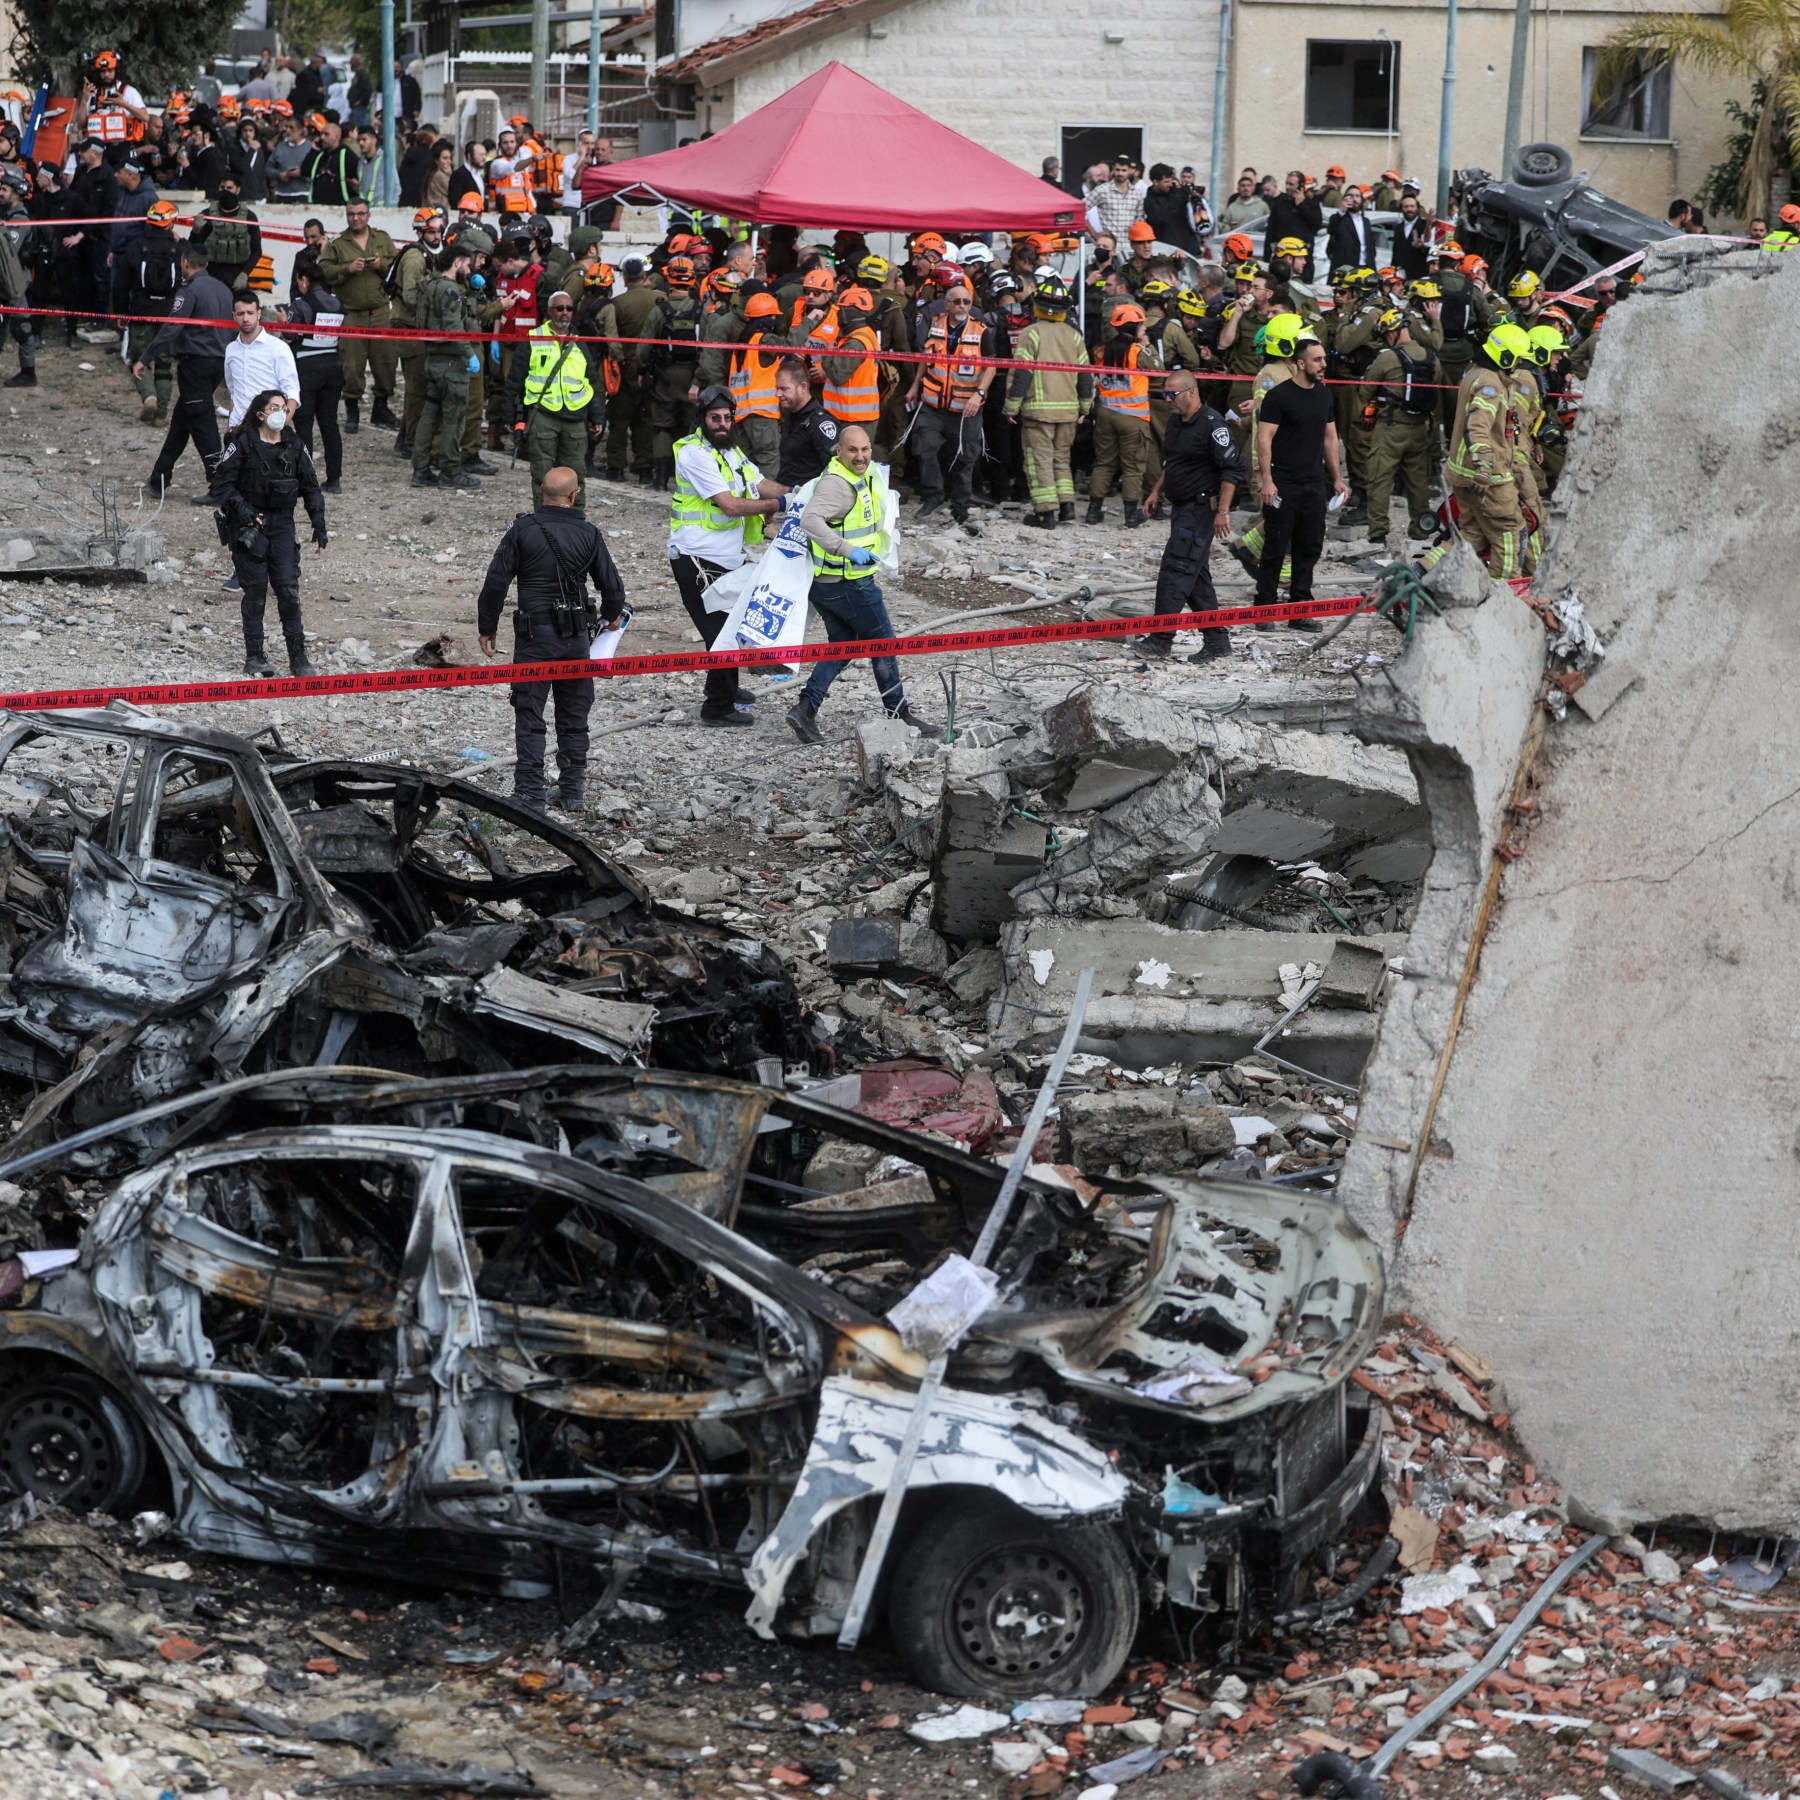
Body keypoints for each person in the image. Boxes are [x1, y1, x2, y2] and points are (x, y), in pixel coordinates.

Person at [475, 466, 627, 812]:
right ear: (574, 496)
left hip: (535, 637)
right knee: (574, 715)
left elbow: (496, 581)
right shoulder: (589, 533)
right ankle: (572, 791)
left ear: (541, 493)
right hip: (577, 637)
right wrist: (611, 616)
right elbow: (613, 588)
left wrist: (487, 627)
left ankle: (530, 793)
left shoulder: (521, 530)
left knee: (530, 713)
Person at [788, 426, 934, 745]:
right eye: (853, 450)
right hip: (848, 584)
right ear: (839, 451)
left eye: (865, 449)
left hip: (828, 583)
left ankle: (805, 709)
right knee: (884, 645)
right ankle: (899, 714)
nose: (861, 456)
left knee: (843, 646)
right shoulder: (836, 485)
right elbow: (810, 520)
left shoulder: (857, 476)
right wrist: (847, 550)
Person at [667, 386, 785, 727]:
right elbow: (730, 505)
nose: (722, 424)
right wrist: (779, 504)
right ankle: (717, 708)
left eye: (727, 418)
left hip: (726, 558)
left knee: (730, 624)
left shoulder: (730, 451)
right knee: (721, 632)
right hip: (695, 559)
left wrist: (801, 494)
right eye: (714, 418)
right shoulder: (694, 454)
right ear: (702, 419)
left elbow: (760, 483)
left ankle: (724, 688)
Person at [210, 386, 328, 676]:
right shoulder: (242, 442)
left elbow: (311, 486)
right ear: (261, 414)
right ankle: (255, 656)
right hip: (249, 525)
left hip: (282, 523)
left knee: (288, 589)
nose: (280, 413)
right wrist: (243, 509)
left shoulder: (294, 443)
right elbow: (221, 484)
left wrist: (318, 523)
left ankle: (298, 657)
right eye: (274, 408)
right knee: (256, 590)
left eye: (284, 408)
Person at [1136, 371, 1247, 663]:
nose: (1168, 400)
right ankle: (1217, 641)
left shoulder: (1213, 425)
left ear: (1192, 392)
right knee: (1195, 576)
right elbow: (1174, 462)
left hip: (1200, 509)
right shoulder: (1176, 421)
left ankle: (1161, 639)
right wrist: (1156, 491)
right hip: (1181, 507)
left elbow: (1232, 471)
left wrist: (1222, 512)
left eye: (1173, 394)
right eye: (1165, 395)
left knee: (1175, 569)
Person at [1253, 338, 1346, 626]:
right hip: (1283, 482)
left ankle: (1300, 609)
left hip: (1313, 483)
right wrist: (1267, 480)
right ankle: (1264, 608)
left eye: (1324, 359)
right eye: (1317, 360)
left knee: (1310, 547)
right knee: (1276, 547)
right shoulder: (1279, 396)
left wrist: (1337, 478)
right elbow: (1264, 438)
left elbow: (1330, 439)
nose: (1324, 364)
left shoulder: (1324, 395)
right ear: (1301, 363)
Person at [138, 242, 234, 498]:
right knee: (183, 419)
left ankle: (220, 483)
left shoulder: (190, 290)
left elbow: (171, 327)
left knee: (203, 422)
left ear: (184, 262)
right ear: (206, 263)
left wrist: (145, 358)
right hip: (219, 363)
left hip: (195, 364)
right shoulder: (223, 289)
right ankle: (160, 477)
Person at [1441, 323, 1532, 578]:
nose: (1519, 363)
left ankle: (1430, 574)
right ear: (1505, 356)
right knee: (1508, 532)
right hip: (1489, 477)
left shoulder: (1474, 373)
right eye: (1518, 358)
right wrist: (1484, 465)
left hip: (1461, 472)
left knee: (1471, 535)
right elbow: (1478, 426)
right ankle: (1503, 590)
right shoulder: (1490, 385)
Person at [904, 281, 995, 529]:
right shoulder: (935, 325)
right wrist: (914, 387)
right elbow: (926, 360)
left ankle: (960, 506)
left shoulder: (981, 331)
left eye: (967, 302)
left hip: (966, 407)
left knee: (965, 457)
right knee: (925, 447)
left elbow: (991, 366)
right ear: (947, 304)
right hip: (932, 403)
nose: (962, 306)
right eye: (957, 302)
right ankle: (933, 497)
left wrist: (979, 394)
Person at [1003, 276, 1092, 528]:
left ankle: (1045, 514)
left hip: (1038, 412)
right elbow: (1086, 375)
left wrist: (1011, 408)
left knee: (1038, 461)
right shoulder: (1074, 336)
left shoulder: (1030, 333)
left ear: (1036, 305)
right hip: (1068, 411)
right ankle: (1067, 506)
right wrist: (1085, 407)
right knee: (1061, 459)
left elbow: (1021, 374)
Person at [1357, 307, 1438, 556]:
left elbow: (1365, 390)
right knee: (1418, 483)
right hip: (1420, 429)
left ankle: (1378, 534)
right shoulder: (1432, 357)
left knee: (1379, 480)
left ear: (1391, 332)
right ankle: (1420, 533)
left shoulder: (1387, 358)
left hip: (1391, 428)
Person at [507, 289, 596, 511]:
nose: (565, 313)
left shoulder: (580, 343)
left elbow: (593, 381)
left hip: (575, 417)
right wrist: (511, 416)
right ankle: (544, 518)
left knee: (576, 475)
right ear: (549, 311)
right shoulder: (534, 338)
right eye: (560, 308)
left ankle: (576, 520)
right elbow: (515, 381)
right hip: (543, 415)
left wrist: (598, 417)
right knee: (542, 474)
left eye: (569, 308)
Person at [319, 199, 399, 432]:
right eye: (351, 214)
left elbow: (396, 267)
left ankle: (381, 408)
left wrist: (380, 265)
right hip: (352, 313)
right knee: (352, 366)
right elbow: (324, 271)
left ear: (368, 215)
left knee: (386, 362)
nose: (356, 218)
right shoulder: (337, 244)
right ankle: (352, 410)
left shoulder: (382, 239)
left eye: (360, 213)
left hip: (381, 311)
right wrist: (347, 269)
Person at [411, 241, 478, 488]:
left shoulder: (428, 285)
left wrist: (474, 292)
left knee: (429, 416)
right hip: (451, 364)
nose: (469, 271)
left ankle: (420, 469)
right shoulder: (449, 289)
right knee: (454, 418)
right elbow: (454, 327)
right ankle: (450, 471)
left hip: (432, 360)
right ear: (456, 262)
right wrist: (469, 354)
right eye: (467, 265)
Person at [1086, 300, 1159, 527]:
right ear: (1133, 327)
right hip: (1133, 418)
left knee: (1104, 463)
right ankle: (1130, 515)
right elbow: (1158, 367)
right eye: (1141, 324)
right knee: (1133, 467)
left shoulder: (1100, 350)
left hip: (1106, 414)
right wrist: (1147, 344)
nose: (1144, 328)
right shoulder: (1138, 352)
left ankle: (1093, 512)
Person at [286, 250, 345, 492]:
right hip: (333, 367)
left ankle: (306, 479)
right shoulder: (337, 302)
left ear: (304, 280)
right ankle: (334, 478)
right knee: (329, 423)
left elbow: (289, 334)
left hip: (307, 369)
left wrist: (282, 320)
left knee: (304, 424)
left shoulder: (300, 304)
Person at [223, 292, 299, 431]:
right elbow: (234, 393)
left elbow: (292, 391)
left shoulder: (278, 348)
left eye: (250, 313)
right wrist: (230, 428)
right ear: (233, 316)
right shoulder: (231, 350)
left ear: (259, 313)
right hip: (238, 428)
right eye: (240, 314)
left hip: (268, 429)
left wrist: (281, 425)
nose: (245, 318)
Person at [188, 171, 261, 295]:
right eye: (222, 187)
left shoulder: (249, 217)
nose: (225, 191)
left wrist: (245, 274)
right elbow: (192, 248)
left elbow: (257, 251)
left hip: (237, 277)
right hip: (211, 275)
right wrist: (195, 230)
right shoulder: (207, 215)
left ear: (238, 190)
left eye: (229, 188)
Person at [774, 354, 841, 488]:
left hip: (808, 495)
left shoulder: (820, 423)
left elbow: (836, 470)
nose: (778, 394)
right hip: (786, 494)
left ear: (803, 387)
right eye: (777, 389)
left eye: (784, 389)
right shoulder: (791, 417)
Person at [0, 170, 36, 387]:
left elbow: (9, 250)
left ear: (16, 193)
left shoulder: (20, 220)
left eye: (4, 189)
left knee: (20, 327)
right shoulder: (5, 216)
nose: (0, 193)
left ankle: (28, 372)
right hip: (2, 279)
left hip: (15, 281)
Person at [1262, 171, 1322, 265]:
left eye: (1291, 184)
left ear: (1301, 186)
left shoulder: (1311, 203)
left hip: (1302, 258)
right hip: (1281, 256)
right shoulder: (1280, 203)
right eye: (1286, 183)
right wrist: (1267, 256)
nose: (1287, 187)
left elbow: (1316, 224)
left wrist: (1301, 205)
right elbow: (1271, 231)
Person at [1144, 164, 1202, 255]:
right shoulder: (1150, 200)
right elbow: (1160, 217)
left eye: (1171, 181)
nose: (1170, 184)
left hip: (1189, 247)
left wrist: (1194, 197)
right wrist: (1178, 197)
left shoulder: (1176, 192)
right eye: (1166, 182)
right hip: (1166, 249)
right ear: (1155, 182)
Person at [302, 115, 360, 206]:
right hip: (318, 205)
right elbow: (305, 172)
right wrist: (313, 150)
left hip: (341, 206)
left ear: (337, 137)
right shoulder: (319, 154)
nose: (322, 137)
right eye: (321, 134)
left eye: (326, 134)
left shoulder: (347, 155)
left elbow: (357, 178)